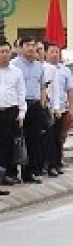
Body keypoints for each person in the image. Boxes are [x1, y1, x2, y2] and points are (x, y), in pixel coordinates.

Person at [43, 44, 73, 176]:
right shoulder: (43, 68)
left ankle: (57, 163)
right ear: (46, 53)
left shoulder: (65, 71)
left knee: (58, 138)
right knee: (48, 138)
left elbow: (70, 90)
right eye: (52, 52)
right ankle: (47, 163)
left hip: (61, 109)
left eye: (57, 52)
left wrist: (71, 108)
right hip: (47, 109)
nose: (55, 54)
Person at [18, 38, 47, 179]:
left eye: (33, 46)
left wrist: (42, 104)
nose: (30, 48)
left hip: (35, 105)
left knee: (35, 140)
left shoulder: (39, 66)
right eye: (27, 45)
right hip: (19, 105)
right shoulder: (14, 65)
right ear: (21, 48)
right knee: (17, 139)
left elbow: (42, 87)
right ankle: (11, 172)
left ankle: (30, 172)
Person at [0, 42, 22, 193]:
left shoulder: (16, 72)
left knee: (7, 145)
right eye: (1, 52)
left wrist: (21, 113)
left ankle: (5, 175)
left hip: (10, 112)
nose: (4, 54)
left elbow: (21, 93)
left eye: (7, 51)